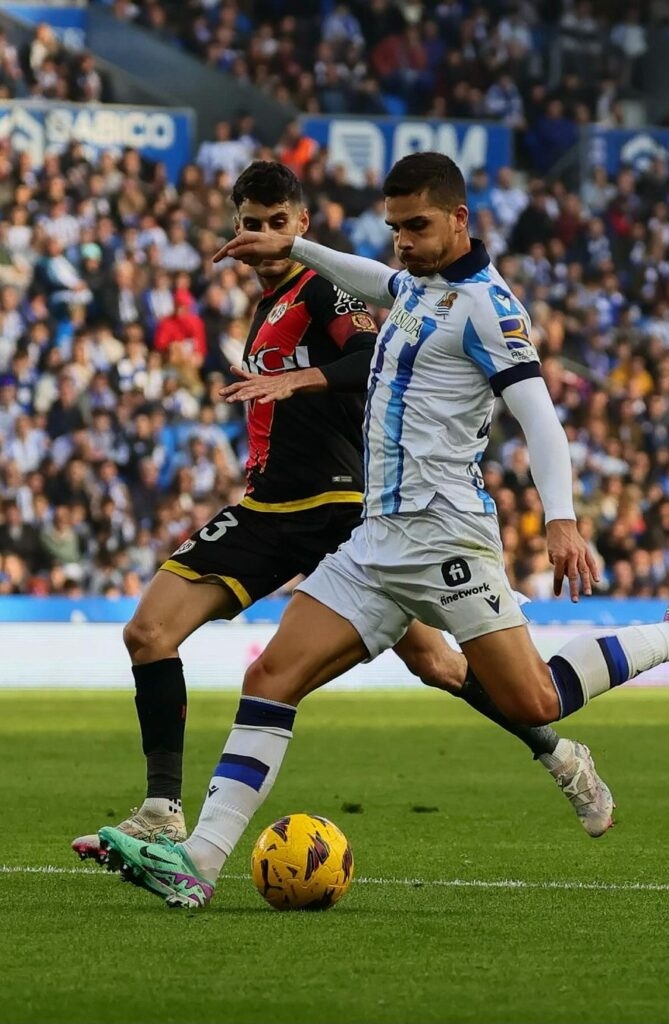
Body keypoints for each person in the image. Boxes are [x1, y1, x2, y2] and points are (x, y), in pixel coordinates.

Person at [97, 154, 669, 908]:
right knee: (271, 678)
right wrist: (293, 248)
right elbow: (372, 278)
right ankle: (196, 862)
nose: (402, 241)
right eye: (394, 228)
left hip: (447, 539)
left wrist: (560, 518)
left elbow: (541, 418)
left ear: (458, 219)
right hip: (374, 539)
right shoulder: (416, 286)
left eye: (417, 226)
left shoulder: (488, 308)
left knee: (534, 701)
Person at [73, 160, 614, 864]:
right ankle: (163, 815)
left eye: (277, 225)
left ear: (301, 225)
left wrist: (296, 380)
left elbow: (366, 355)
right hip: (281, 505)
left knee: (440, 667)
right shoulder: (283, 300)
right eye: (250, 226)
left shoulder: (327, 292)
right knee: (156, 633)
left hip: (335, 505)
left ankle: (559, 750)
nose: (263, 237)